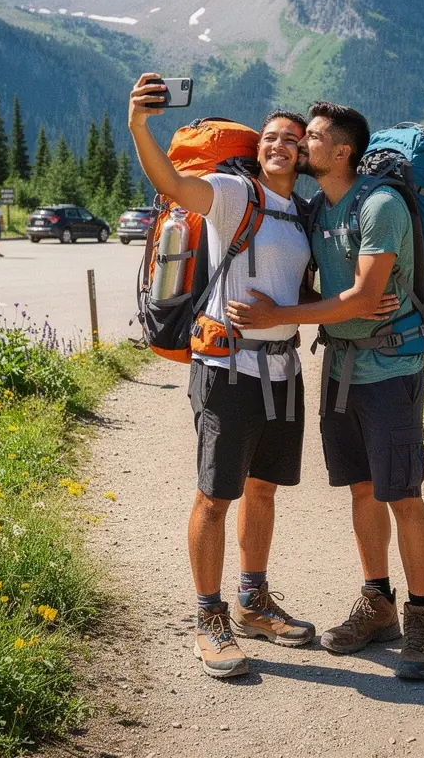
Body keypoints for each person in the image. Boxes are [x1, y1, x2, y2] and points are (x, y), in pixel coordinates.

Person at [128, 76, 397, 680]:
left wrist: (371, 302)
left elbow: (330, 279)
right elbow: (170, 184)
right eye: (271, 137)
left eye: (291, 139)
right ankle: (208, 616)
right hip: (225, 366)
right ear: (259, 150)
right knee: (214, 496)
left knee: (263, 490)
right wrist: (139, 127)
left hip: (281, 370)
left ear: (303, 155)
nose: (280, 144)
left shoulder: (304, 213)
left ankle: (252, 601)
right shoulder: (231, 193)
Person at [227, 101, 424, 680]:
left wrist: (288, 312)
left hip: (391, 370)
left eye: (312, 139)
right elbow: (335, 289)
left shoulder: (380, 204)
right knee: (362, 490)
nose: (301, 147)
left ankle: (422, 619)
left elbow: (367, 299)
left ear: (340, 150)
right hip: (342, 370)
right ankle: (379, 605)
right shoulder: (317, 207)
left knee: (403, 493)